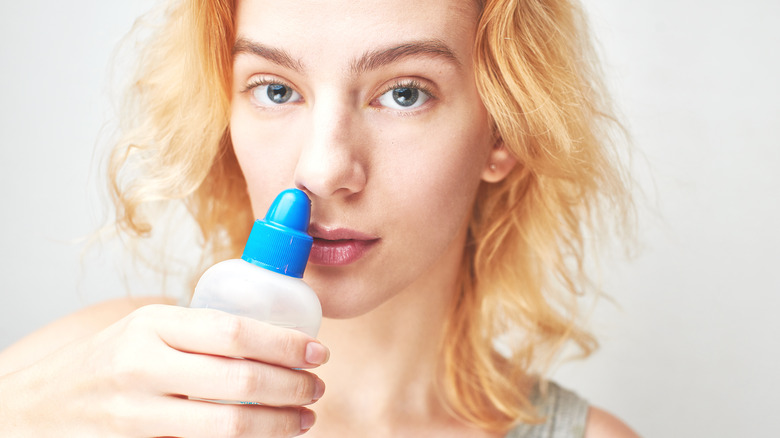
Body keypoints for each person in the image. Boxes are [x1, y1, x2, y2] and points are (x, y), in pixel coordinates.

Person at [0, 0, 640, 436]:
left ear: (503, 129)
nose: (321, 169)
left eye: (404, 92)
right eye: (275, 89)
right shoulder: (99, 377)